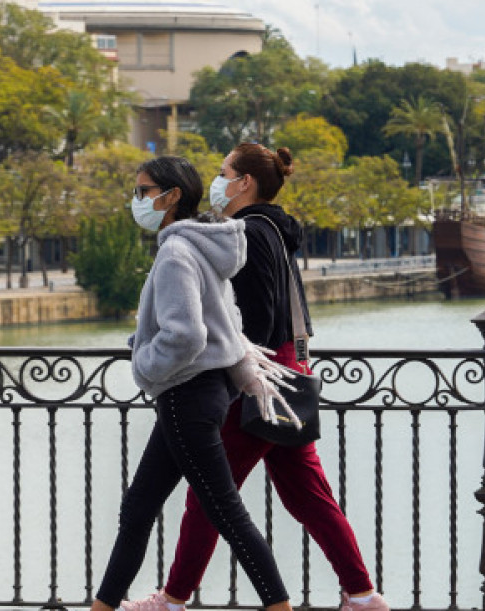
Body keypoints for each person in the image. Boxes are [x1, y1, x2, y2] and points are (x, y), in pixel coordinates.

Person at [120, 144, 389, 611]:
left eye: (224, 172)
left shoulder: (251, 233)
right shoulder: (273, 230)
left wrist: (232, 372)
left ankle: (173, 599)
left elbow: (256, 318)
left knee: (210, 497)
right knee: (307, 494)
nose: (217, 180)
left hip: (259, 382)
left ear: (245, 182)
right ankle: (363, 594)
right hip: (288, 374)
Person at [91, 156, 299, 611]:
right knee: (139, 508)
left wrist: (144, 364)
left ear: (171, 197)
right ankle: (101, 607)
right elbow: (231, 321)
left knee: (226, 512)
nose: (137, 199)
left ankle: (280, 608)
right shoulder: (206, 246)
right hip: (201, 393)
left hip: (186, 393)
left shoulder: (176, 252)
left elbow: (186, 335)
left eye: (144, 191)